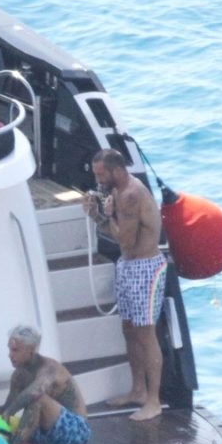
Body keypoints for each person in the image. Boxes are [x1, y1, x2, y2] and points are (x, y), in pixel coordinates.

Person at [86, 149, 168, 421]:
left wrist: (106, 215)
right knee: (129, 329)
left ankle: (154, 401)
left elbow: (126, 241)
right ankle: (138, 390)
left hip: (145, 268)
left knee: (146, 334)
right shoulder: (118, 192)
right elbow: (120, 238)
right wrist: (98, 215)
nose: (98, 180)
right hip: (128, 265)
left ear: (116, 170)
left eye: (101, 174)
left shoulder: (130, 195)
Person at [1, 325, 91, 444]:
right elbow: (7, 407)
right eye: (9, 349)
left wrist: (8, 412)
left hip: (75, 431)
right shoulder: (18, 375)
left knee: (38, 399)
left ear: (31, 349)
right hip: (45, 433)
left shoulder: (49, 368)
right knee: (9, 425)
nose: (10, 355)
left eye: (15, 350)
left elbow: (34, 392)